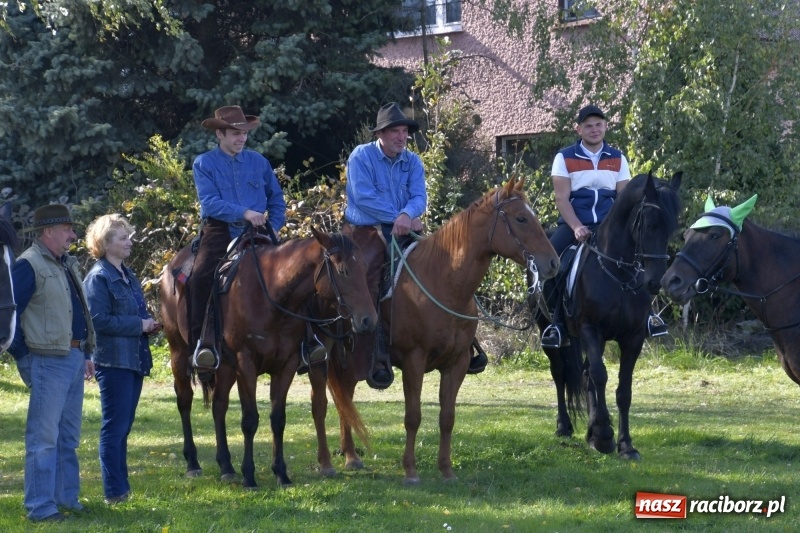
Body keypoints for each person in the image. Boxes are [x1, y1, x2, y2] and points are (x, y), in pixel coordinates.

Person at [343, 103, 488, 388]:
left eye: (404, 131)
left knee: (446, 268)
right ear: (380, 134)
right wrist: (398, 216)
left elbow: (419, 196)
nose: (401, 137)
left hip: (404, 226)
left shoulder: (412, 161)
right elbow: (363, 197)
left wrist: (407, 214)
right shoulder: (361, 156)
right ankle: (374, 353)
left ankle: (465, 342)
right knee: (368, 278)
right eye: (394, 131)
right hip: (366, 230)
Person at [540, 105, 667, 349]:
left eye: (598, 124)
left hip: (611, 227)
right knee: (551, 266)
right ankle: (557, 324)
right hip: (574, 224)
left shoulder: (618, 158)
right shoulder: (564, 158)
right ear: (578, 129)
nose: (594, 129)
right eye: (588, 126)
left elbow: (624, 199)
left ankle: (649, 316)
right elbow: (562, 199)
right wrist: (577, 227)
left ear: (606, 126)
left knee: (641, 258)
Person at [9, 204, 96, 522]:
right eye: (67, 229)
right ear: (48, 232)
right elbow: (7, 316)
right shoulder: (28, 264)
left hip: (71, 357)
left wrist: (85, 354)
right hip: (46, 360)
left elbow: (77, 314)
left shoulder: (65, 263)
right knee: (44, 439)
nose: (73, 235)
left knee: (67, 437)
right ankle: (41, 507)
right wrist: (24, 356)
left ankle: (66, 499)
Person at [189, 105, 286, 371]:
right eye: (235, 133)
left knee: (296, 273)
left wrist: (275, 226)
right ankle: (202, 344)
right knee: (199, 278)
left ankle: (306, 343)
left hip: (260, 231)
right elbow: (209, 203)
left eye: (244, 133)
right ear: (219, 134)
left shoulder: (259, 162)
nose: (242, 138)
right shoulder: (204, 163)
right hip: (219, 230)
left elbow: (277, 200)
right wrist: (244, 212)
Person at [83, 214, 159, 505]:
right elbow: (98, 321)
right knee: (114, 428)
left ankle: (121, 489)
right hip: (113, 363)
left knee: (123, 427)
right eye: (123, 238)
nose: (130, 242)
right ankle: (114, 492)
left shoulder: (129, 275)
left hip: (133, 360)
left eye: (129, 237)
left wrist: (148, 324)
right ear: (105, 243)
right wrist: (139, 325)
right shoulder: (98, 277)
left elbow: (131, 314)